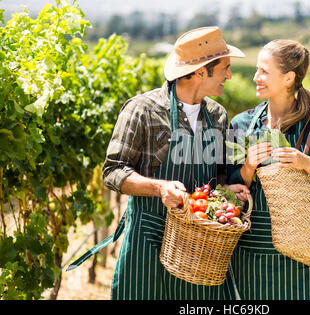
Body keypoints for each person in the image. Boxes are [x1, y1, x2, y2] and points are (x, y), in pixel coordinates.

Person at [67, 26, 249, 300]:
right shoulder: (143, 109)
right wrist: (160, 188)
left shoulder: (218, 116)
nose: (230, 75)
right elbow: (113, 171)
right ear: (201, 71)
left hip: (198, 252)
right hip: (147, 243)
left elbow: (220, 175)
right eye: (225, 67)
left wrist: (229, 190)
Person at [226, 39, 310, 300]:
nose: (255, 77)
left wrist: (306, 163)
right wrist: (249, 166)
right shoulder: (243, 123)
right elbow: (228, 185)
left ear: (288, 78)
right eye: (256, 70)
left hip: (297, 255)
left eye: (264, 71)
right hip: (248, 255)